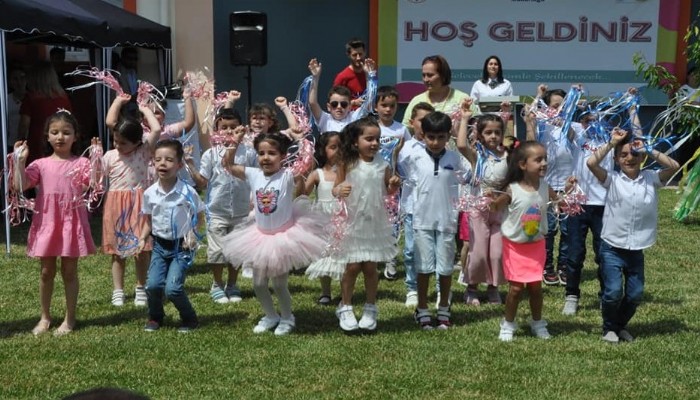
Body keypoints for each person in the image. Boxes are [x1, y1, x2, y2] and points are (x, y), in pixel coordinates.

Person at [221, 129, 326, 336]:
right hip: (260, 237)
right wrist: (235, 141)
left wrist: (299, 138)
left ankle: (287, 317)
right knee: (259, 284)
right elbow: (228, 165)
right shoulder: (253, 174)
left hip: (283, 237)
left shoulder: (287, 175)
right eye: (261, 153)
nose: (265, 158)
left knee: (279, 284)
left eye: (272, 153)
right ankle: (271, 315)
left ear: (283, 156)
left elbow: (306, 164)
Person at [587, 128, 679, 343]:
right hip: (612, 245)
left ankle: (619, 326)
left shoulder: (651, 178)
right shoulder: (611, 179)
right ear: (616, 159)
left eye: (635, 154)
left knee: (635, 294)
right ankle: (609, 327)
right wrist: (612, 143)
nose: (629, 158)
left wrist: (648, 148)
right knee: (612, 292)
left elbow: (673, 166)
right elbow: (591, 164)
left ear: (642, 157)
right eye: (624, 154)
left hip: (637, 246)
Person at [12, 110, 97, 336]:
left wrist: (97, 160)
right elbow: (20, 185)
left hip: (70, 223)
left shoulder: (81, 162)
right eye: (55, 132)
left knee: (69, 271)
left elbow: (94, 185)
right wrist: (19, 162)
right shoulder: (39, 164)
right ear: (47, 136)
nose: (60, 137)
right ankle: (45, 317)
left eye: (66, 132)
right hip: (47, 223)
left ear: (76, 136)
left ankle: (69, 319)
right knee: (46, 271)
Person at [562, 88, 639, 316]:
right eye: (587, 118)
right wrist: (572, 98)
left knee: (603, 253)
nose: (592, 121)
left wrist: (631, 104)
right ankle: (572, 295)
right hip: (579, 202)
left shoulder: (613, 139)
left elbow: (637, 132)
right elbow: (565, 122)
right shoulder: (578, 135)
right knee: (574, 253)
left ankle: (606, 295)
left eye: (597, 117)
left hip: (605, 204)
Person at [490, 141, 566, 341]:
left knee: (535, 288)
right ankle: (508, 323)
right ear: (523, 165)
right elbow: (494, 208)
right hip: (515, 247)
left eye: (545, 159)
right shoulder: (512, 189)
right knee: (515, 289)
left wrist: (568, 189)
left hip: (537, 246)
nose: (544, 163)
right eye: (538, 159)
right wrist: (491, 199)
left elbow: (561, 203)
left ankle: (537, 322)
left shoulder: (545, 187)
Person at [333, 117, 401, 332]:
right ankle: (345, 306)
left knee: (371, 266)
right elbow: (336, 188)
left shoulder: (383, 163)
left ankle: (371, 307)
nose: (374, 143)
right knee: (352, 266)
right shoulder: (348, 163)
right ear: (355, 142)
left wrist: (393, 185)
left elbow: (388, 190)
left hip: (373, 221)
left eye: (377, 139)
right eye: (369, 139)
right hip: (353, 221)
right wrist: (339, 190)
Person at [186, 106, 257, 304]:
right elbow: (203, 182)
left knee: (236, 250)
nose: (228, 131)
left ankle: (232, 284)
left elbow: (256, 177)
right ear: (216, 130)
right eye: (224, 127)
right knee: (217, 251)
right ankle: (217, 284)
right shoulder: (211, 154)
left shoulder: (249, 153)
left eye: (233, 128)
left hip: (242, 210)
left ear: (241, 129)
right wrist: (190, 165)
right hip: (217, 210)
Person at [405, 111, 467, 330]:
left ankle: (443, 308)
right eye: (431, 137)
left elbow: (471, 176)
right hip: (422, 220)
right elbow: (398, 174)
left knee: (445, 268)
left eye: (441, 137)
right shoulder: (414, 157)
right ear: (423, 135)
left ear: (448, 136)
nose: (435, 142)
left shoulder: (455, 159)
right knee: (423, 267)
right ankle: (422, 308)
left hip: (447, 221)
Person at [138, 139, 205, 333]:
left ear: (179, 165)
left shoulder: (187, 192)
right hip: (159, 246)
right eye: (158, 159)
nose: (162, 164)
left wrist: (192, 233)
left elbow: (199, 215)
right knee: (153, 286)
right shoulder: (150, 193)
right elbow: (149, 221)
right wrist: (143, 238)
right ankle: (155, 317)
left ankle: (190, 318)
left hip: (181, 247)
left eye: (168, 160)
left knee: (173, 289)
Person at [102, 94, 162, 307]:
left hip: (139, 204)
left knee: (142, 249)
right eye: (115, 140)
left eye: (123, 142)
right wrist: (118, 101)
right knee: (117, 251)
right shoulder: (110, 155)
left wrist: (144, 109)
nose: (118, 145)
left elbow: (156, 129)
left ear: (137, 142)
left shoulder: (144, 151)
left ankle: (140, 286)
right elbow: (111, 122)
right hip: (116, 205)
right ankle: (118, 289)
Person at [457, 100, 508, 305]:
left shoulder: (507, 155)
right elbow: (461, 144)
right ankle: (471, 288)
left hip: (500, 211)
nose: (493, 136)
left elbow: (511, 180)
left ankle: (493, 287)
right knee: (477, 253)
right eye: (488, 132)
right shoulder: (477, 156)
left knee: (497, 253)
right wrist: (465, 118)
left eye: (497, 132)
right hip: (478, 210)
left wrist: (502, 196)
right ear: (480, 135)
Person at [526, 85, 577, 286]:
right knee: (548, 229)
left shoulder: (571, 127)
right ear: (546, 107)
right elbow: (530, 126)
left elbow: (574, 138)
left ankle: (563, 266)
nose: (558, 110)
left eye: (562, 106)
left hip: (568, 188)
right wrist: (538, 95)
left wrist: (566, 121)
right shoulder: (541, 128)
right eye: (554, 106)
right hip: (546, 187)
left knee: (567, 230)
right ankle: (546, 266)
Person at [397, 102, 435, 307]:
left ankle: (438, 287)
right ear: (412, 123)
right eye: (422, 120)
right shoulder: (405, 148)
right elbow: (396, 173)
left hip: (435, 208)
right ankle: (412, 288)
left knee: (436, 249)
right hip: (413, 206)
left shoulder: (440, 146)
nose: (426, 125)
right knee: (411, 249)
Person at [375, 85, 411, 280]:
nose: (388, 109)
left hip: (392, 184)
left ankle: (390, 259)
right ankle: (371, 257)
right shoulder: (371, 128)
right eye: (384, 105)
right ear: (376, 107)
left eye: (392, 106)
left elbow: (407, 155)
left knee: (392, 221)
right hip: (371, 182)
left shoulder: (402, 129)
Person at [304, 131, 344, 305]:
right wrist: (299, 177)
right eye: (333, 147)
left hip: (342, 220)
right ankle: (325, 292)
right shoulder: (317, 174)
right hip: (323, 221)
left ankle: (345, 292)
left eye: (341, 147)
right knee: (324, 254)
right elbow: (302, 194)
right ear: (323, 150)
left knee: (343, 256)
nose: (338, 151)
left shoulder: (347, 172)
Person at [402, 55, 478, 128]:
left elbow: (476, 128)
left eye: (430, 75)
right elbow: (406, 130)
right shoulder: (417, 100)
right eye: (423, 75)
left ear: (443, 76)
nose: (425, 80)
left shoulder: (463, 99)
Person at [18, 61, 72, 164]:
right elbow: (70, 122)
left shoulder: (31, 98)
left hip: (36, 144)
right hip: (58, 143)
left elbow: (24, 125)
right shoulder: (64, 98)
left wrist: (20, 143)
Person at [308, 57, 376, 134]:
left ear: (350, 106)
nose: (339, 107)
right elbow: (312, 103)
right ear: (328, 107)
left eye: (344, 104)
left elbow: (369, 102)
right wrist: (315, 77)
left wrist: (369, 75)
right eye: (334, 104)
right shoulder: (325, 119)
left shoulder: (354, 118)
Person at [333, 38, 369, 109]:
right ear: (349, 55)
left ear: (365, 53)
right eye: (354, 55)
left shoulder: (369, 73)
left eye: (360, 54)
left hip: (367, 117)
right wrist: (354, 102)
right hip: (350, 117)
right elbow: (334, 101)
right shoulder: (342, 77)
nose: (358, 58)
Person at [7, 65, 27, 153]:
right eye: (15, 79)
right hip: (11, 143)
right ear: (10, 82)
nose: (19, 82)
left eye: (22, 78)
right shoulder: (6, 100)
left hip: (30, 143)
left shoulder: (33, 98)